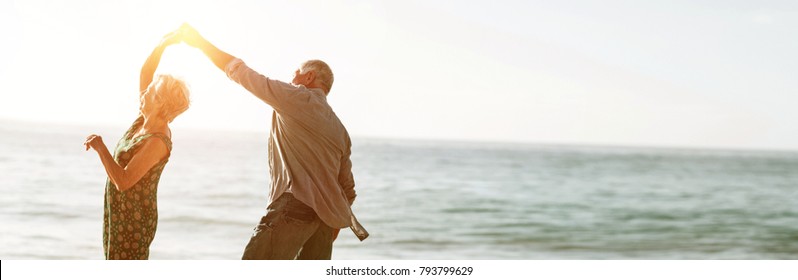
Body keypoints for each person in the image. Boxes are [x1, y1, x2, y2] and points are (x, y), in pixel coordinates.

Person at [178, 23, 367, 260]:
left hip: (293, 209)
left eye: (295, 73)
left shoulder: (297, 97)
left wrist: (200, 43)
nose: (291, 78)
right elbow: (348, 189)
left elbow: (241, 73)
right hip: (324, 224)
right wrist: (333, 226)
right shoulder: (341, 130)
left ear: (308, 77)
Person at [84, 30, 190, 260]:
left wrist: (101, 148)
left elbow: (123, 181)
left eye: (150, 92)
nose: (144, 93)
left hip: (134, 220)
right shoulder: (144, 120)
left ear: (160, 103)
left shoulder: (157, 141)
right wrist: (163, 44)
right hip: (119, 212)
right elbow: (146, 71)